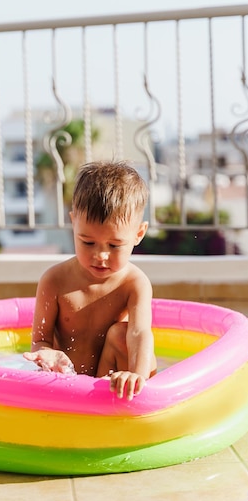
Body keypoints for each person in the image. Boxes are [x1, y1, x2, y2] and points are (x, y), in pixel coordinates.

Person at [23, 160, 157, 400]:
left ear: (139, 234)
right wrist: (48, 353)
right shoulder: (54, 280)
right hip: (68, 386)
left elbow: (139, 334)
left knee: (121, 334)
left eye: (115, 245)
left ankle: (130, 391)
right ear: (73, 222)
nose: (100, 256)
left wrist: (137, 376)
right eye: (87, 242)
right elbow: (39, 341)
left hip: (113, 383)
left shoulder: (134, 283)